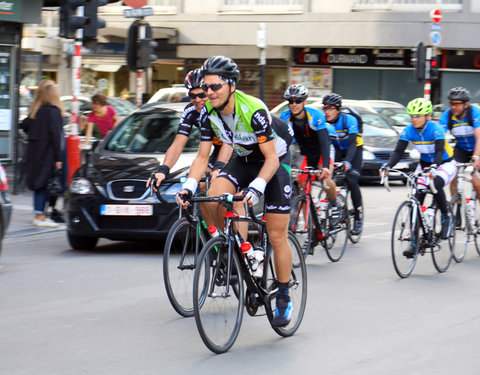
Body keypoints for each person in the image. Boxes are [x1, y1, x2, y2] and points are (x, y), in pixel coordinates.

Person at [176, 56, 293, 327]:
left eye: (215, 86)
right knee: (212, 198)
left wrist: (256, 188)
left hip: (272, 162)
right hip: (243, 160)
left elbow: (271, 159)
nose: (209, 93)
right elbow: (202, 157)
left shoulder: (253, 110)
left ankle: (284, 296)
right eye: (206, 88)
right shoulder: (208, 112)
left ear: (231, 85)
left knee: (276, 234)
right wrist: (188, 186)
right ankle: (236, 249)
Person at [380, 98, 457, 257]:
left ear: (427, 116)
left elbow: (439, 151)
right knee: (417, 198)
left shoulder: (436, 128)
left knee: (435, 184)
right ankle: (414, 242)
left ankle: (445, 217)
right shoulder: (408, 130)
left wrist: (435, 166)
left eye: (418, 116)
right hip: (424, 164)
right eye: (412, 116)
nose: (414, 119)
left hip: (444, 163)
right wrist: (388, 166)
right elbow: (398, 151)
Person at [280, 84, 340, 216]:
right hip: (305, 153)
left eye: (298, 101)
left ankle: (335, 203)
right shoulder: (285, 117)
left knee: (325, 180)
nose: (294, 104)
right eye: (290, 101)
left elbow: (324, 142)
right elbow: (283, 143)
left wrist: (325, 166)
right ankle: (311, 225)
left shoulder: (315, 115)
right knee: (302, 187)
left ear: (304, 101)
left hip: (322, 151)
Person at [20, 80, 65, 228]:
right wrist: (58, 158)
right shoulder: (53, 111)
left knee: (38, 182)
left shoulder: (36, 111)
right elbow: (56, 136)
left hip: (34, 151)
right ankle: (40, 216)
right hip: (47, 152)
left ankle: (39, 213)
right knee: (45, 183)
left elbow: (24, 126)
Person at [322, 93, 363, 235]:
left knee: (352, 180)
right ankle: (335, 207)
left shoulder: (349, 120)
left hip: (354, 150)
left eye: (331, 108)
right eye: (325, 108)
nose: (327, 112)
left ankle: (358, 216)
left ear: (338, 110)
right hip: (338, 149)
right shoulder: (324, 122)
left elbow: (353, 144)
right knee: (328, 179)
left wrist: (348, 162)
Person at [438, 87, 480, 198]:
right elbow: (439, 137)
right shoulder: (447, 116)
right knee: (453, 175)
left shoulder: (475, 113)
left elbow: (479, 137)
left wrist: (476, 156)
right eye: (451, 103)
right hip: (462, 148)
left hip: (478, 147)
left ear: (466, 104)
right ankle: (456, 208)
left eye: (456, 104)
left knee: (476, 181)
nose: (453, 107)